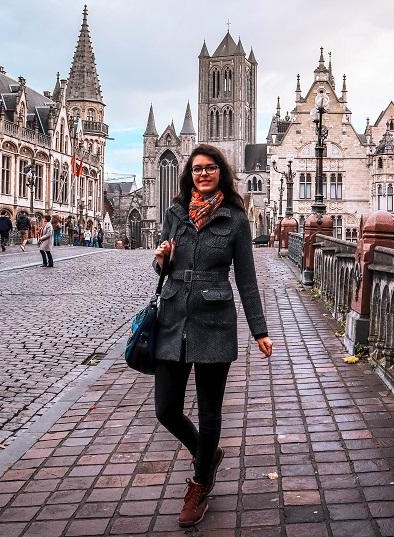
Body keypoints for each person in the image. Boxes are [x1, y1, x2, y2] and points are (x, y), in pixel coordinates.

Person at [152, 144, 273, 528]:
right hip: (173, 316)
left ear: (221, 172)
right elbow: (164, 267)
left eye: (211, 168)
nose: (203, 174)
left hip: (215, 319)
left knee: (210, 412)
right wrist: (160, 259)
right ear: (190, 173)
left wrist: (260, 330)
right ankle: (206, 453)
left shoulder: (235, 218)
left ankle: (200, 483)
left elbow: (247, 279)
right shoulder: (175, 213)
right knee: (165, 409)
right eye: (198, 168)